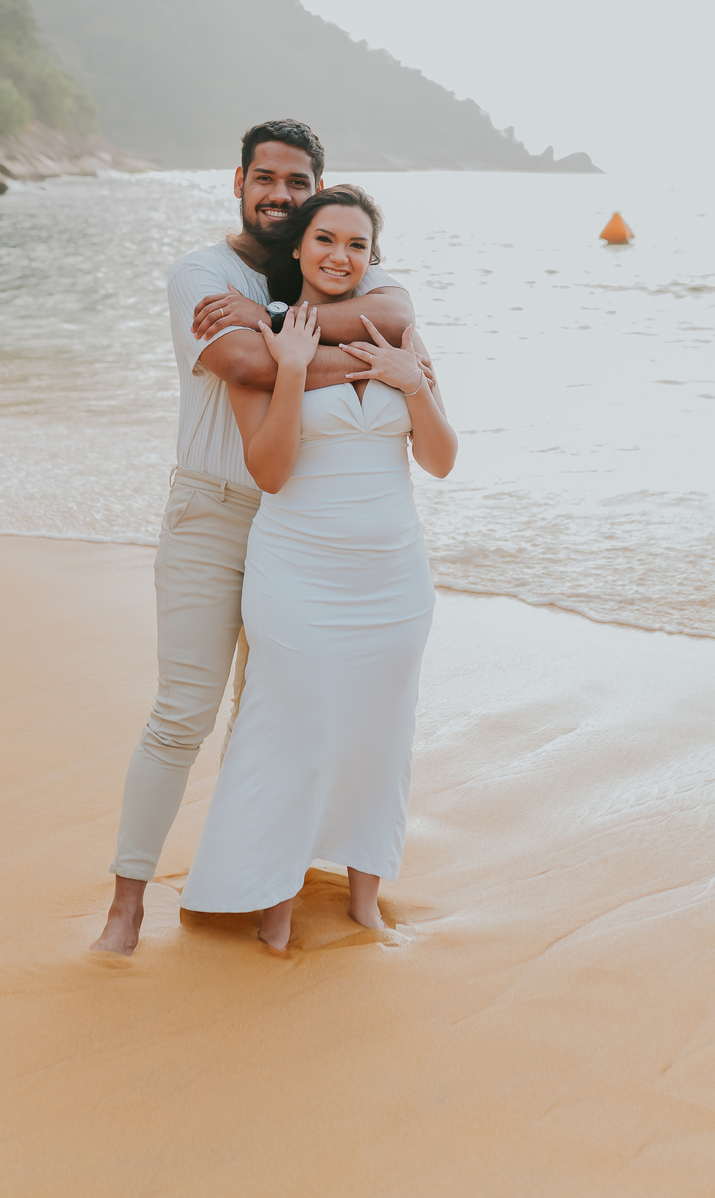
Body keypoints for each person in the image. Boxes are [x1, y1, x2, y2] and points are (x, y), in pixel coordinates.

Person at [93, 120, 420, 955]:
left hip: (305, 527)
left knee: (274, 718)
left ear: (319, 189)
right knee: (182, 713)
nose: (280, 193)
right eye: (265, 177)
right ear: (238, 180)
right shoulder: (202, 273)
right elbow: (242, 363)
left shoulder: (330, 263)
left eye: (297, 181)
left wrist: (282, 318)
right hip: (214, 511)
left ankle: (242, 882)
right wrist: (330, 350)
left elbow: (398, 312)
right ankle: (126, 904)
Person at [180, 185, 458, 948]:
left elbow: (439, 459)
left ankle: (366, 898)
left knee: (380, 730)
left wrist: (413, 385)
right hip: (297, 573)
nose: (341, 256)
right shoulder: (260, 350)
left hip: (395, 577)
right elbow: (268, 471)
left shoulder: (401, 336)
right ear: (298, 249)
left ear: (373, 257)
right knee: (293, 730)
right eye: (326, 240)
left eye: (357, 245)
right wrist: (293, 368)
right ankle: (272, 899)